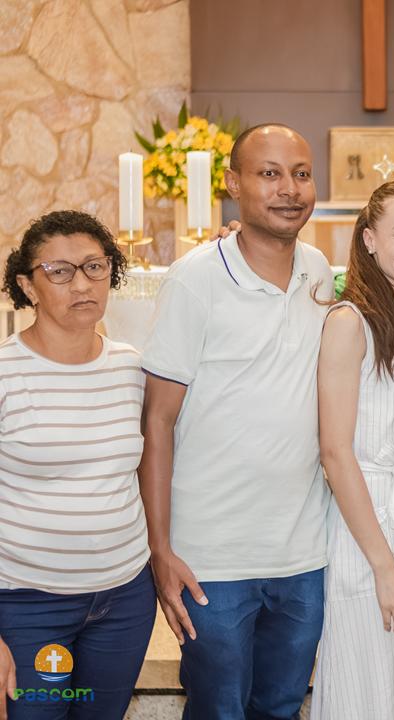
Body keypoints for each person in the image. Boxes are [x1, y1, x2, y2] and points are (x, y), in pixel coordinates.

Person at [139, 124, 334, 719]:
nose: (288, 189)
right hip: (212, 559)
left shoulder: (319, 271)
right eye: (269, 173)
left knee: (281, 707)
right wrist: (160, 549)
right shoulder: (195, 279)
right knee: (217, 711)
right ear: (232, 184)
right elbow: (157, 422)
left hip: (302, 554)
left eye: (301, 174)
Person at [0, 211, 155, 719]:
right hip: (26, 604)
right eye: (60, 271)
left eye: (94, 266)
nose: (82, 284)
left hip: (124, 599)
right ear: (28, 285)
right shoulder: (5, 373)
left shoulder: (131, 366)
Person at [310, 181, 394, 719]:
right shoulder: (350, 322)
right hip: (366, 530)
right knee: (363, 689)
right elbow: (335, 453)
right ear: (369, 240)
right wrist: (384, 569)